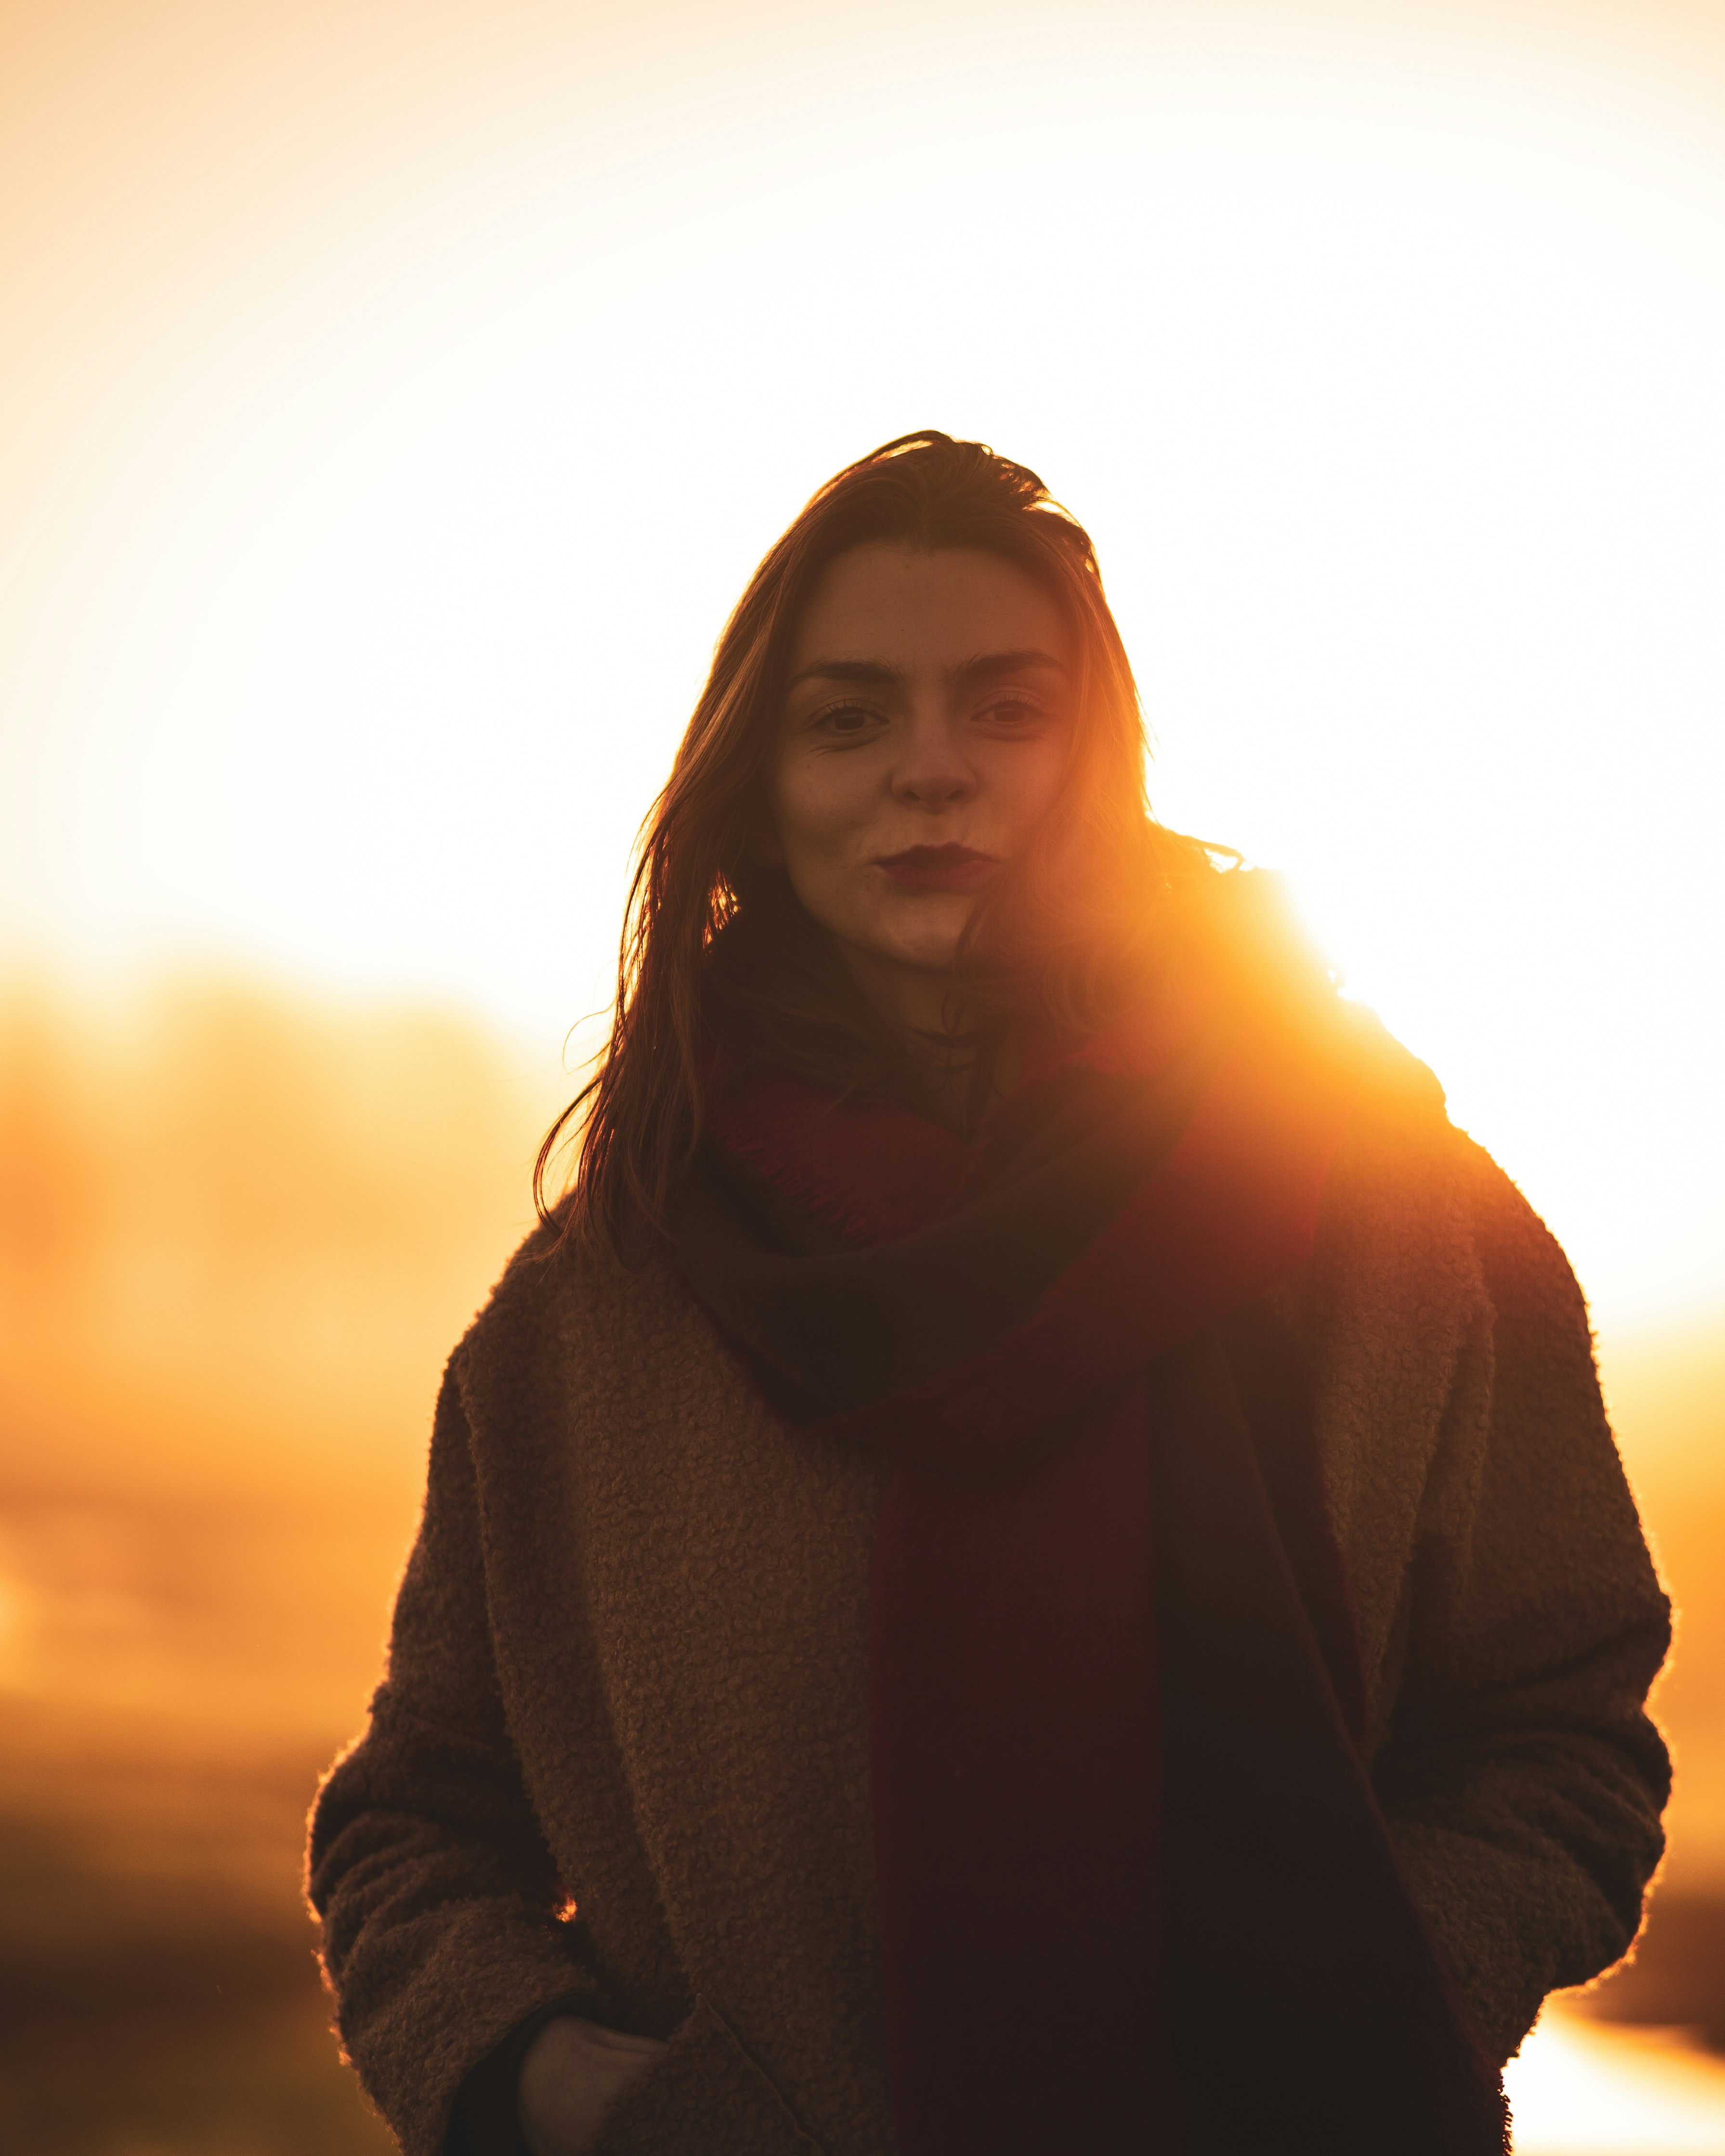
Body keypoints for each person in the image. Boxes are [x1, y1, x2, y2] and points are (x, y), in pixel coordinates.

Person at [307, 432, 1671, 2156]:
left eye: (1006, 711)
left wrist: (1374, 2008)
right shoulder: (601, 1314)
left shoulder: (1385, 1209)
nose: (932, 774)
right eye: (851, 716)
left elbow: (1560, 1721)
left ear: (1094, 761)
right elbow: (414, 1818)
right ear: (759, 783)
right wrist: (561, 2087)